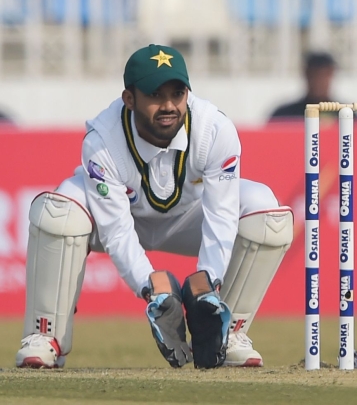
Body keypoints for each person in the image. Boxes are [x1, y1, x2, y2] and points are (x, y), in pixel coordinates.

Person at [15, 45, 293, 369]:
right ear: (129, 99)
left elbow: (222, 216)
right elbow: (117, 231)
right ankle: (46, 336)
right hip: (123, 220)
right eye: (155, 95)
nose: (169, 106)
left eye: (177, 93)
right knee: (59, 213)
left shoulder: (214, 130)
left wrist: (207, 285)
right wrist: (152, 288)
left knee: (266, 214)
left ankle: (227, 332)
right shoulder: (102, 141)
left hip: (189, 220)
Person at [268, 52, 338, 122]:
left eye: (324, 75)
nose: (318, 81)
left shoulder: (344, 115)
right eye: (314, 75)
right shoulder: (284, 116)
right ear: (306, 75)